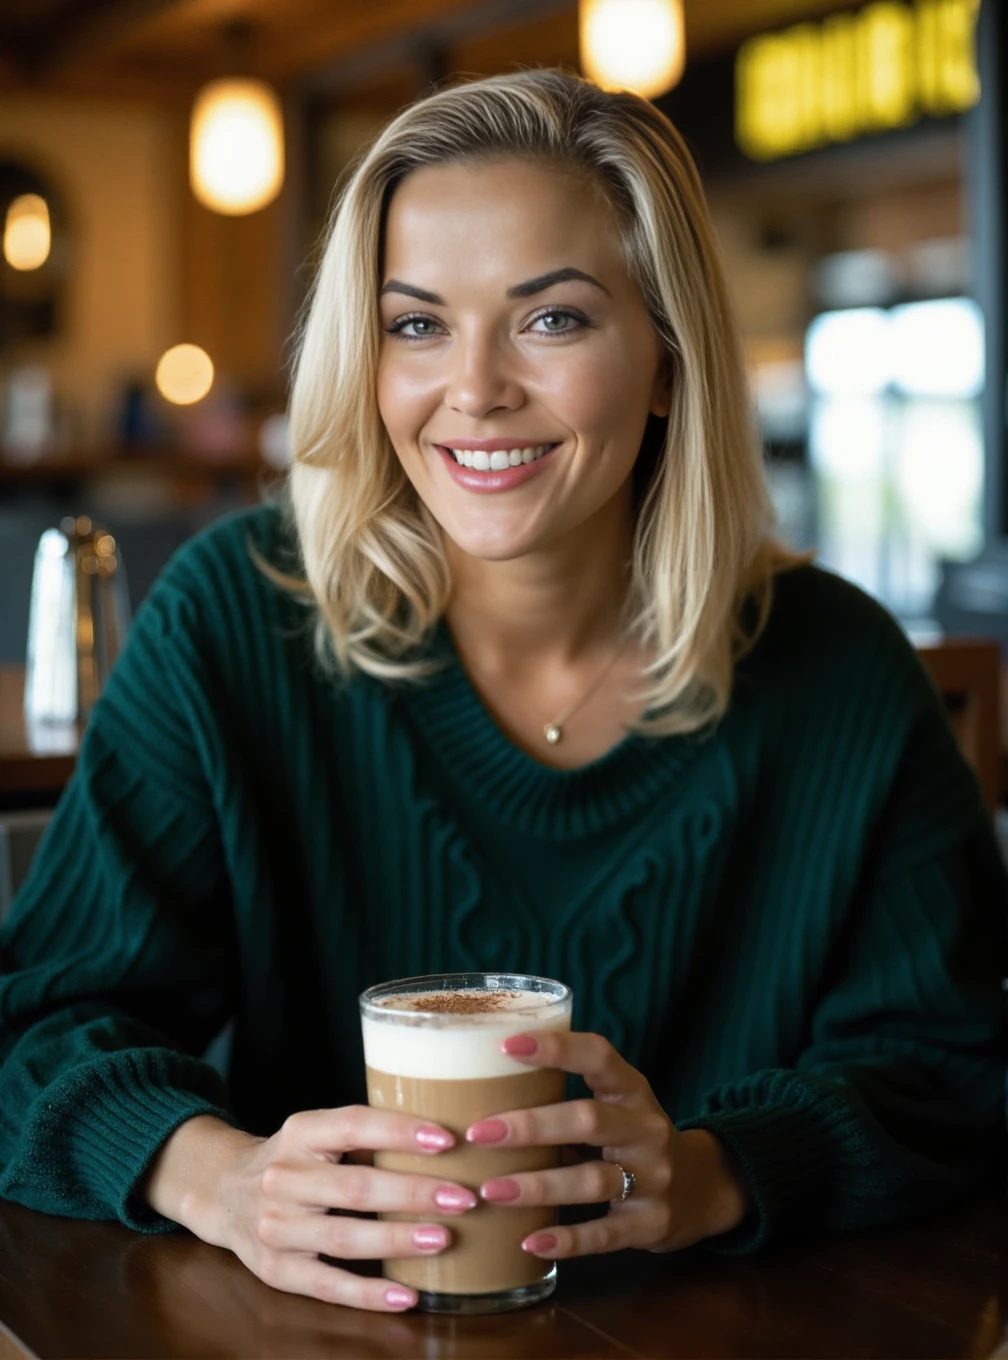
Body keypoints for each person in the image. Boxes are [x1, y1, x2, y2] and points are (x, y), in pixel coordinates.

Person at [0, 70, 1004, 1316]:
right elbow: (33, 1025)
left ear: (667, 362)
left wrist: (713, 1172)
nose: (472, 389)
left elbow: (958, 1069)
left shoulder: (838, 667)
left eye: (553, 319)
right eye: (416, 324)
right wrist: (220, 1177)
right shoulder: (236, 620)